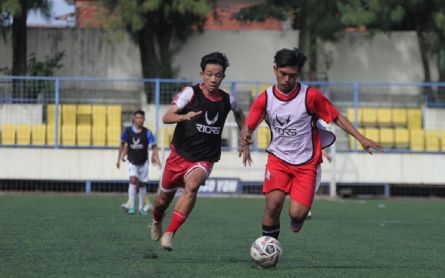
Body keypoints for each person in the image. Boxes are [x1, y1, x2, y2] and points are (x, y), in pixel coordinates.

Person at [239, 48, 383, 239]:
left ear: (298, 74)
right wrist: (245, 141)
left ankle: (297, 218)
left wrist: (361, 138)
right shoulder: (264, 99)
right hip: (278, 160)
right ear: (275, 70)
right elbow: (249, 125)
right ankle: (268, 247)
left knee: (297, 214)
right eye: (283, 74)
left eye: (292, 75)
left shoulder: (311, 96)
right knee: (272, 205)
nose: (287, 79)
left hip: (306, 163)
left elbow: (337, 117)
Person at [150, 52, 245, 251]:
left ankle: (170, 233)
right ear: (202, 74)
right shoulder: (190, 93)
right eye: (209, 74)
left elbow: (240, 113)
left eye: (218, 75)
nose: (213, 79)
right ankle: (157, 219)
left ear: (223, 77)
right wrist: (184, 117)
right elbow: (167, 117)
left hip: (204, 159)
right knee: (160, 202)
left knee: (192, 186)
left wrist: (245, 138)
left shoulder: (228, 100)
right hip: (178, 156)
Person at [116, 110, 161, 215]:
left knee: (142, 185)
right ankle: (131, 207)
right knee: (133, 180)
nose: (139, 120)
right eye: (137, 118)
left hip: (143, 162)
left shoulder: (147, 132)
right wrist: (119, 158)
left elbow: (154, 146)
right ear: (134, 119)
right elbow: (123, 145)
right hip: (132, 161)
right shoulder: (127, 131)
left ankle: (141, 207)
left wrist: (157, 159)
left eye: (141, 118)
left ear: (144, 120)